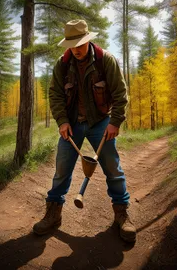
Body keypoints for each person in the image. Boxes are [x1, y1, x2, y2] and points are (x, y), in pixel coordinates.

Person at [33, 19, 136, 242]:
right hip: (72, 123)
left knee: (112, 166)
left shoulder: (105, 60)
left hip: (101, 122)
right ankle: (53, 213)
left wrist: (115, 122)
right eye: (72, 44)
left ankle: (122, 214)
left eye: (80, 44)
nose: (77, 49)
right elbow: (56, 95)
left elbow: (120, 94)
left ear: (88, 40)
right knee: (61, 168)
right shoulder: (61, 64)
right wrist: (62, 121)